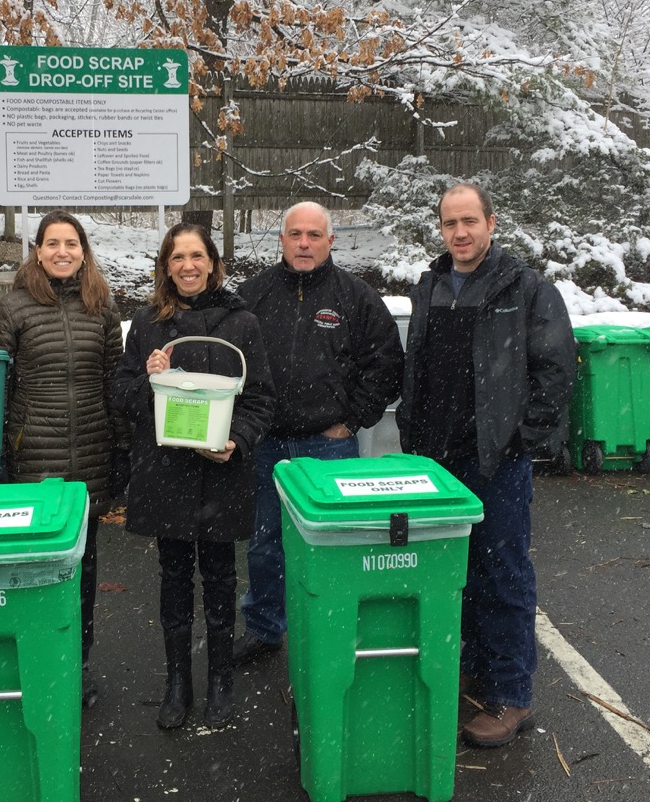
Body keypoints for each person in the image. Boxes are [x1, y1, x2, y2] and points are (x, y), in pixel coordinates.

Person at [397, 182, 574, 748]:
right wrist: (411, 430)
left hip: (495, 459)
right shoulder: (432, 285)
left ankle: (512, 694)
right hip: (437, 458)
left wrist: (522, 439)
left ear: (492, 223)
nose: (460, 233)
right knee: (456, 572)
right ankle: (474, 664)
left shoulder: (524, 287)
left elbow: (556, 368)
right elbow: (419, 364)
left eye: (470, 221)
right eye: (451, 223)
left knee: (504, 574)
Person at [111, 223, 275, 730]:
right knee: (175, 579)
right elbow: (121, 396)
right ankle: (177, 681)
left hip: (221, 474)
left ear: (212, 262)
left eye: (197, 256)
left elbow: (261, 400)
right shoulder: (147, 324)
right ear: (166, 266)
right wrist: (149, 377)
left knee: (222, 579)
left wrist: (238, 440)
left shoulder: (241, 322)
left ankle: (221, 678)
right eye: (177, 257)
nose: (187, 265)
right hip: (166, 475)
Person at [234, 201, 404, 665]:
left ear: (331, 240)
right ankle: (266, 627)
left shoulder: (356, 297)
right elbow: (229, 360)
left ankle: (331, 623)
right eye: (295, 234)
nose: (304, 243)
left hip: (328, 445)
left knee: (331, 542)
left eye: (314, 234)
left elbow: (386, 362)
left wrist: (351, 420)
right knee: (266, 542)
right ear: (282, 240)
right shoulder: (253, 296)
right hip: (266, 444)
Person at [0, 211, 126, 710]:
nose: (63, 251)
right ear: (38, 251)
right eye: (53, 243)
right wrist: (0, 459)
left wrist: (122, 455)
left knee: (83, 569)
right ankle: (32, 659)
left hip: (90, 458)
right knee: (32, 568)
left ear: (83, 251)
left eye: (72, 243)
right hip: (32, 462)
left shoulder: (102, 309)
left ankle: (76, 663)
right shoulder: (12, 309)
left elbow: (115, 386)